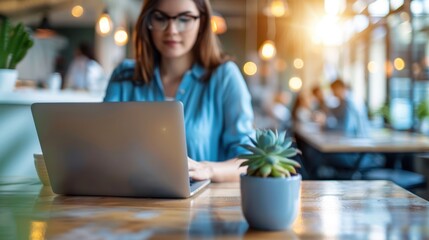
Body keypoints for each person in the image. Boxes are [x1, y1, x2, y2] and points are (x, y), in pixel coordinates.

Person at [103, 0, 255, 182]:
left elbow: (248, 161)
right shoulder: (123, 76)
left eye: (184, 19)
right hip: (129, 203)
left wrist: (208, 169)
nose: (172, 30)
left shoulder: (224, 76)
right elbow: (102, 148)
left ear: (202, 22)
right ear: (148, 22)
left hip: (200, 207)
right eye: (160, 18)